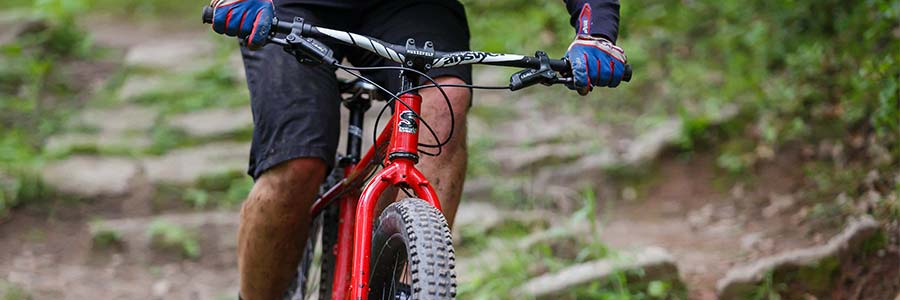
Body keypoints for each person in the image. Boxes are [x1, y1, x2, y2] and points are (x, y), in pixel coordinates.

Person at [207, 0, 627, 299]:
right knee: (297, 162)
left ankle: (406, 285)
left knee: (446, 103)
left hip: (412, 7)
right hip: (291, 4)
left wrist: (596, 30)